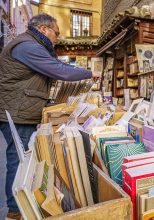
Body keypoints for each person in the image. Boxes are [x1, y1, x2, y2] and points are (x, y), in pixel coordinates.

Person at [0, 13, 101, 219]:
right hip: (17, 112)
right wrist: (90, 73)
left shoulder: (28, 44)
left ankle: (18, 205)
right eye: (56, 33)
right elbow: (60, 70)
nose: (58, 37)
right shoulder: (28, 46)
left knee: (21, 158)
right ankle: (15, 209)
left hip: (20, 110)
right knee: (18, 160)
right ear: (44, 30)